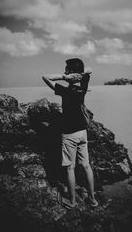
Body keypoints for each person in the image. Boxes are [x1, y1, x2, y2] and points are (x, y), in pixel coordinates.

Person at [42, 58, 98, 209]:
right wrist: (79, 75)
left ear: (71, 73)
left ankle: (73, 202)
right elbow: (89, 70)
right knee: (86, 166)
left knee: (70, 168)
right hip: (82, 132)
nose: (65, 71)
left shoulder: (65, 91)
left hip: (70, 134)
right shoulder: (83, 86)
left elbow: (45, 77)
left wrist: (64, 77)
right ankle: (93, 200)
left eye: (66, 70)